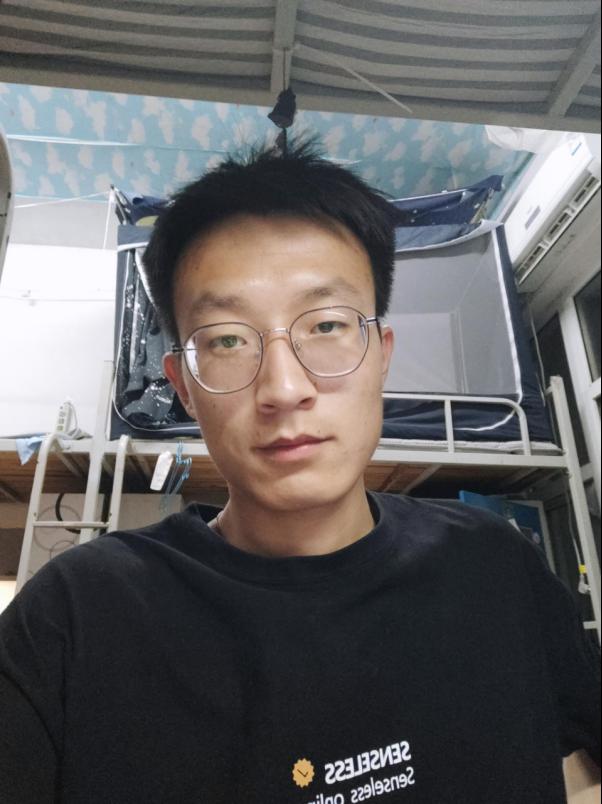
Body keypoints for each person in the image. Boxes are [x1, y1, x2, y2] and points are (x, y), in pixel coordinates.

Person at [1, 138, 599, 804]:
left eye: (327, 326)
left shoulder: (495, 565)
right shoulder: (76, 619)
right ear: (184, 387)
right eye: (228, 339)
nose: (285, 388)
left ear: (381, 355)